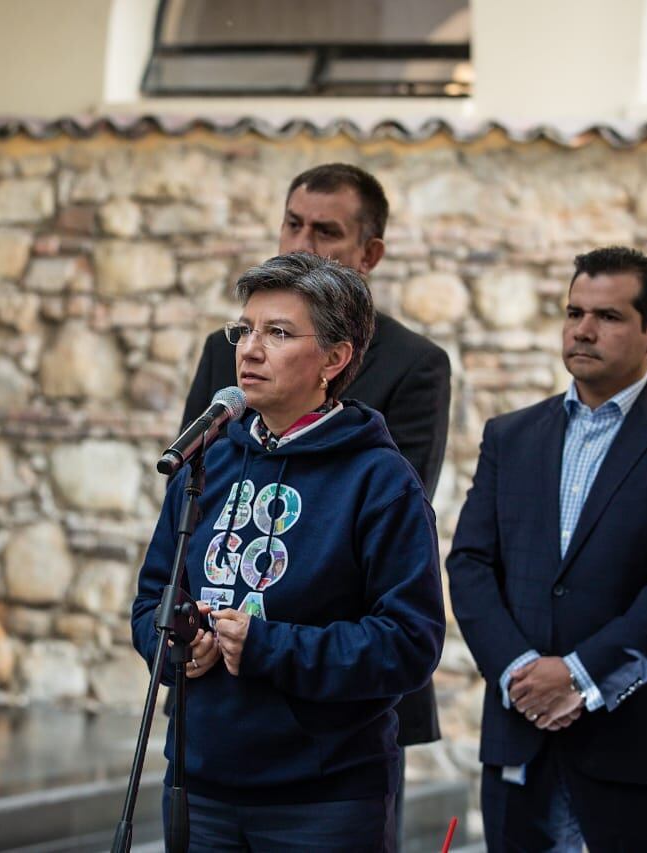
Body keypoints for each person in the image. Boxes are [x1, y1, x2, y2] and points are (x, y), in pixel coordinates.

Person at [133, 252, 445, 852]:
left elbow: (409, 643)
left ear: (335, 357)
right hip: (199, 783)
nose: (249, 348)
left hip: (321, 799)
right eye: (244, 330)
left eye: (277, 333)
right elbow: (152, 596)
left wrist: (268, 647)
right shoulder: (207, 461)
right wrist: (172, 641)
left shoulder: (380, 482)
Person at [446, 247, 647, 851]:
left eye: (607, 316)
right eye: (573, 311)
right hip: (519, 727)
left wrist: (578, 678)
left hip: (635, 738)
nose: (583, 329)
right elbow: (471, 564)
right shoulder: (510, 436)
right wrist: (519, 673)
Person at [178, 166, 449, 810]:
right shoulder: (232, 352)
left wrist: (269, 638)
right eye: (293, 223)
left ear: (369, 253)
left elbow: (396, 512)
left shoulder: (414, 365)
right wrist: (191, 629)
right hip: (221, 703)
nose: (302, 243)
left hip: (336, 707)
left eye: (326, 231)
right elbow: (201, 484)